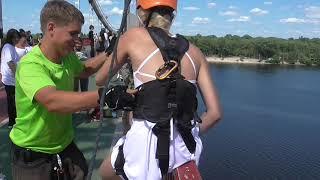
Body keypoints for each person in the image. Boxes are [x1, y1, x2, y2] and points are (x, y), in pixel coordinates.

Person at [96, 0, 222, 179]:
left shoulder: (132, 37)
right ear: (172, 16)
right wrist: (179, 131)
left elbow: (101, 78)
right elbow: (215, 114)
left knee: (105, 172)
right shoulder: (196, 53)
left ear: (142, 13)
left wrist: (115, 50)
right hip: (185, 147)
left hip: (145, 149)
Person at [9, 1, 110, 179]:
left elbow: (85, 69)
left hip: (64, 146)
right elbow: (52, 101)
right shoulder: (31, 64)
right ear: (51, 28)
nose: (77, 40)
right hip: (33, 155)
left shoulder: (67, 57)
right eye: (73, 34)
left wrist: (110, 52)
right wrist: (107, 96)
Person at [0, 29, 20, 128]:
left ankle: (13, 121)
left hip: (12, 79)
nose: (17, 39)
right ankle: (12, 123)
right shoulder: (8, 47)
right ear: (11, 38)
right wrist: (18, 76)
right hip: (9, 80)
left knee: (14, 101)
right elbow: (10, 62)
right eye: (15, 37)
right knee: (12, 102)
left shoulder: (12, 47)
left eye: (18, 37)